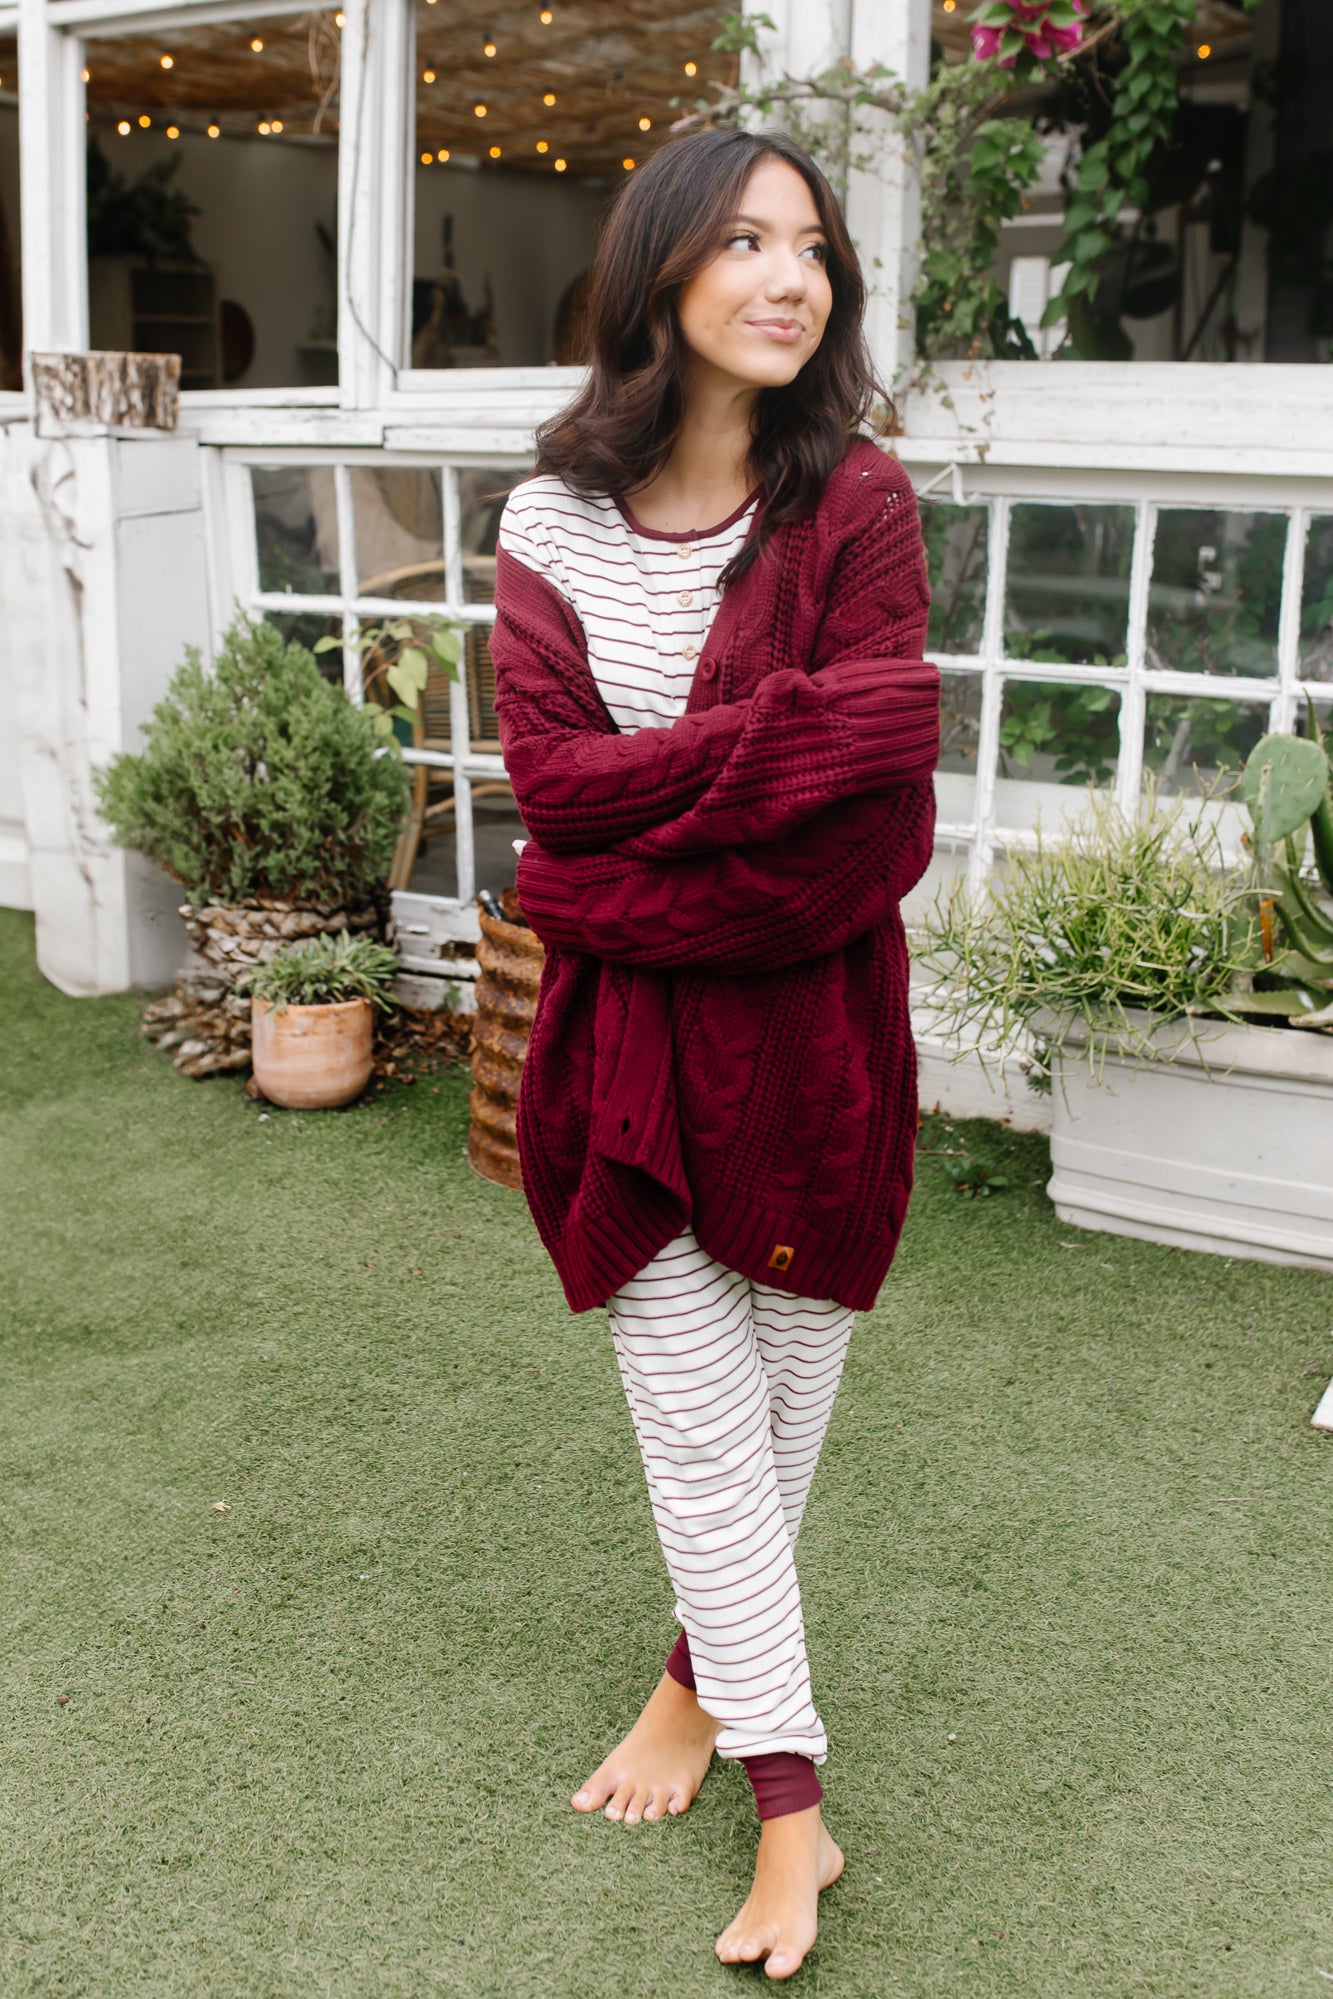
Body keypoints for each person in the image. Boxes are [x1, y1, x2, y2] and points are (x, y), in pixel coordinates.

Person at [489, 127, 939, 1980]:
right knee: (697, 1420)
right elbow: (544, 791)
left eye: (813, 249)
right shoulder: (549, 523)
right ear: (661, 269)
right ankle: (791, 1805)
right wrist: (775, 749)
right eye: (746, 241)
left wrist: (620, 845)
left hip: (820, 1042)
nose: (787, 278)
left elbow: (871, 829)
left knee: (775, 1420)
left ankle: (689, 1683)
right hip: (627, 1064)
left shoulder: (859, 505)